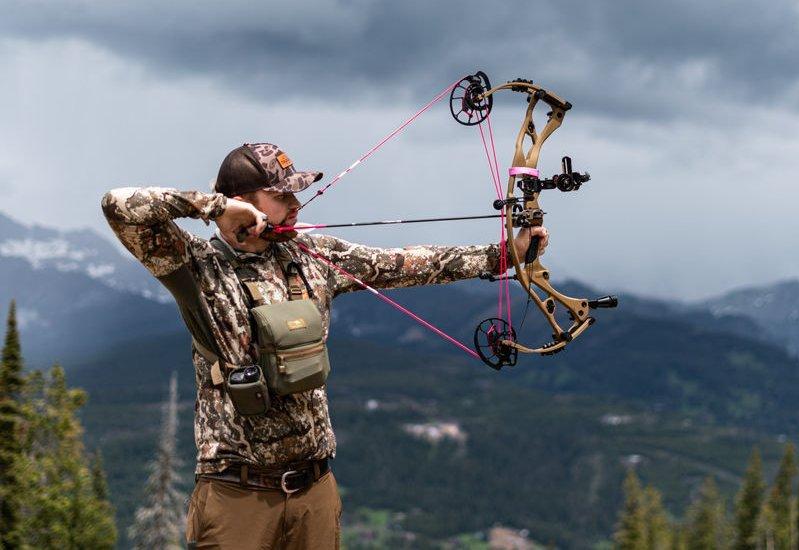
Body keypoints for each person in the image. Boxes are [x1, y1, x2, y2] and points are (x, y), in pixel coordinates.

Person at [100, 142, 547, 549]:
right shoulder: (193, 263)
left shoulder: (311, 256)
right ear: (244, 200)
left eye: (296, 194)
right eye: (282, 195)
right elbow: (118, 205)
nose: (296, 204)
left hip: (314, 489)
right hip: (237, 495)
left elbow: (407, 264)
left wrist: (507, 253)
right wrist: (215, 207)